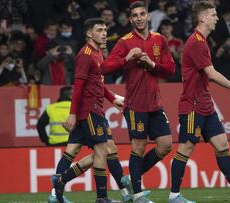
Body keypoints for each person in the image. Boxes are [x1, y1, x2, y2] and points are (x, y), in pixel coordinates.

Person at [169, 2, 230, 203]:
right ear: (202, 18)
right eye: (213, 14)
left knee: (222, 146)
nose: (217, 18)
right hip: (192, 106)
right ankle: (174, 195)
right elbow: (211, 73)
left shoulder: (203, 41)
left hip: (205, 105)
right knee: (185, 149)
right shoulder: (195, 42)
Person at [101, 1, 176, 203]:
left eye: (143, 14)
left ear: (148, 16)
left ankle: (130, 180)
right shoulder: (125, 41)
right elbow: (104, 68)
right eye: (135, 15)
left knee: (165, 145)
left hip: (155, 103)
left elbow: (171, 69)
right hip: (135, 105)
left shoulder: (159, 40)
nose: (139, 18)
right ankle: (137, 194)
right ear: (130, 19)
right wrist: (126, 58)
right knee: (139, 147)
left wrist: (152, 64)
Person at [50, 18, 125, 203]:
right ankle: (101, 198)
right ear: (89, 34)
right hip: (90, 111)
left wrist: (112, 98)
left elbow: (97, 83)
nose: (104, 33)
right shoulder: (86, 54)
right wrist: (73, 114)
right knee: (102, 152)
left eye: (105, 29)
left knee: (73, 150)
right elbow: (78, 86)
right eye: (99, 30)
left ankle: (58, 186)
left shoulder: (98, 53)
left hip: (92, 109)